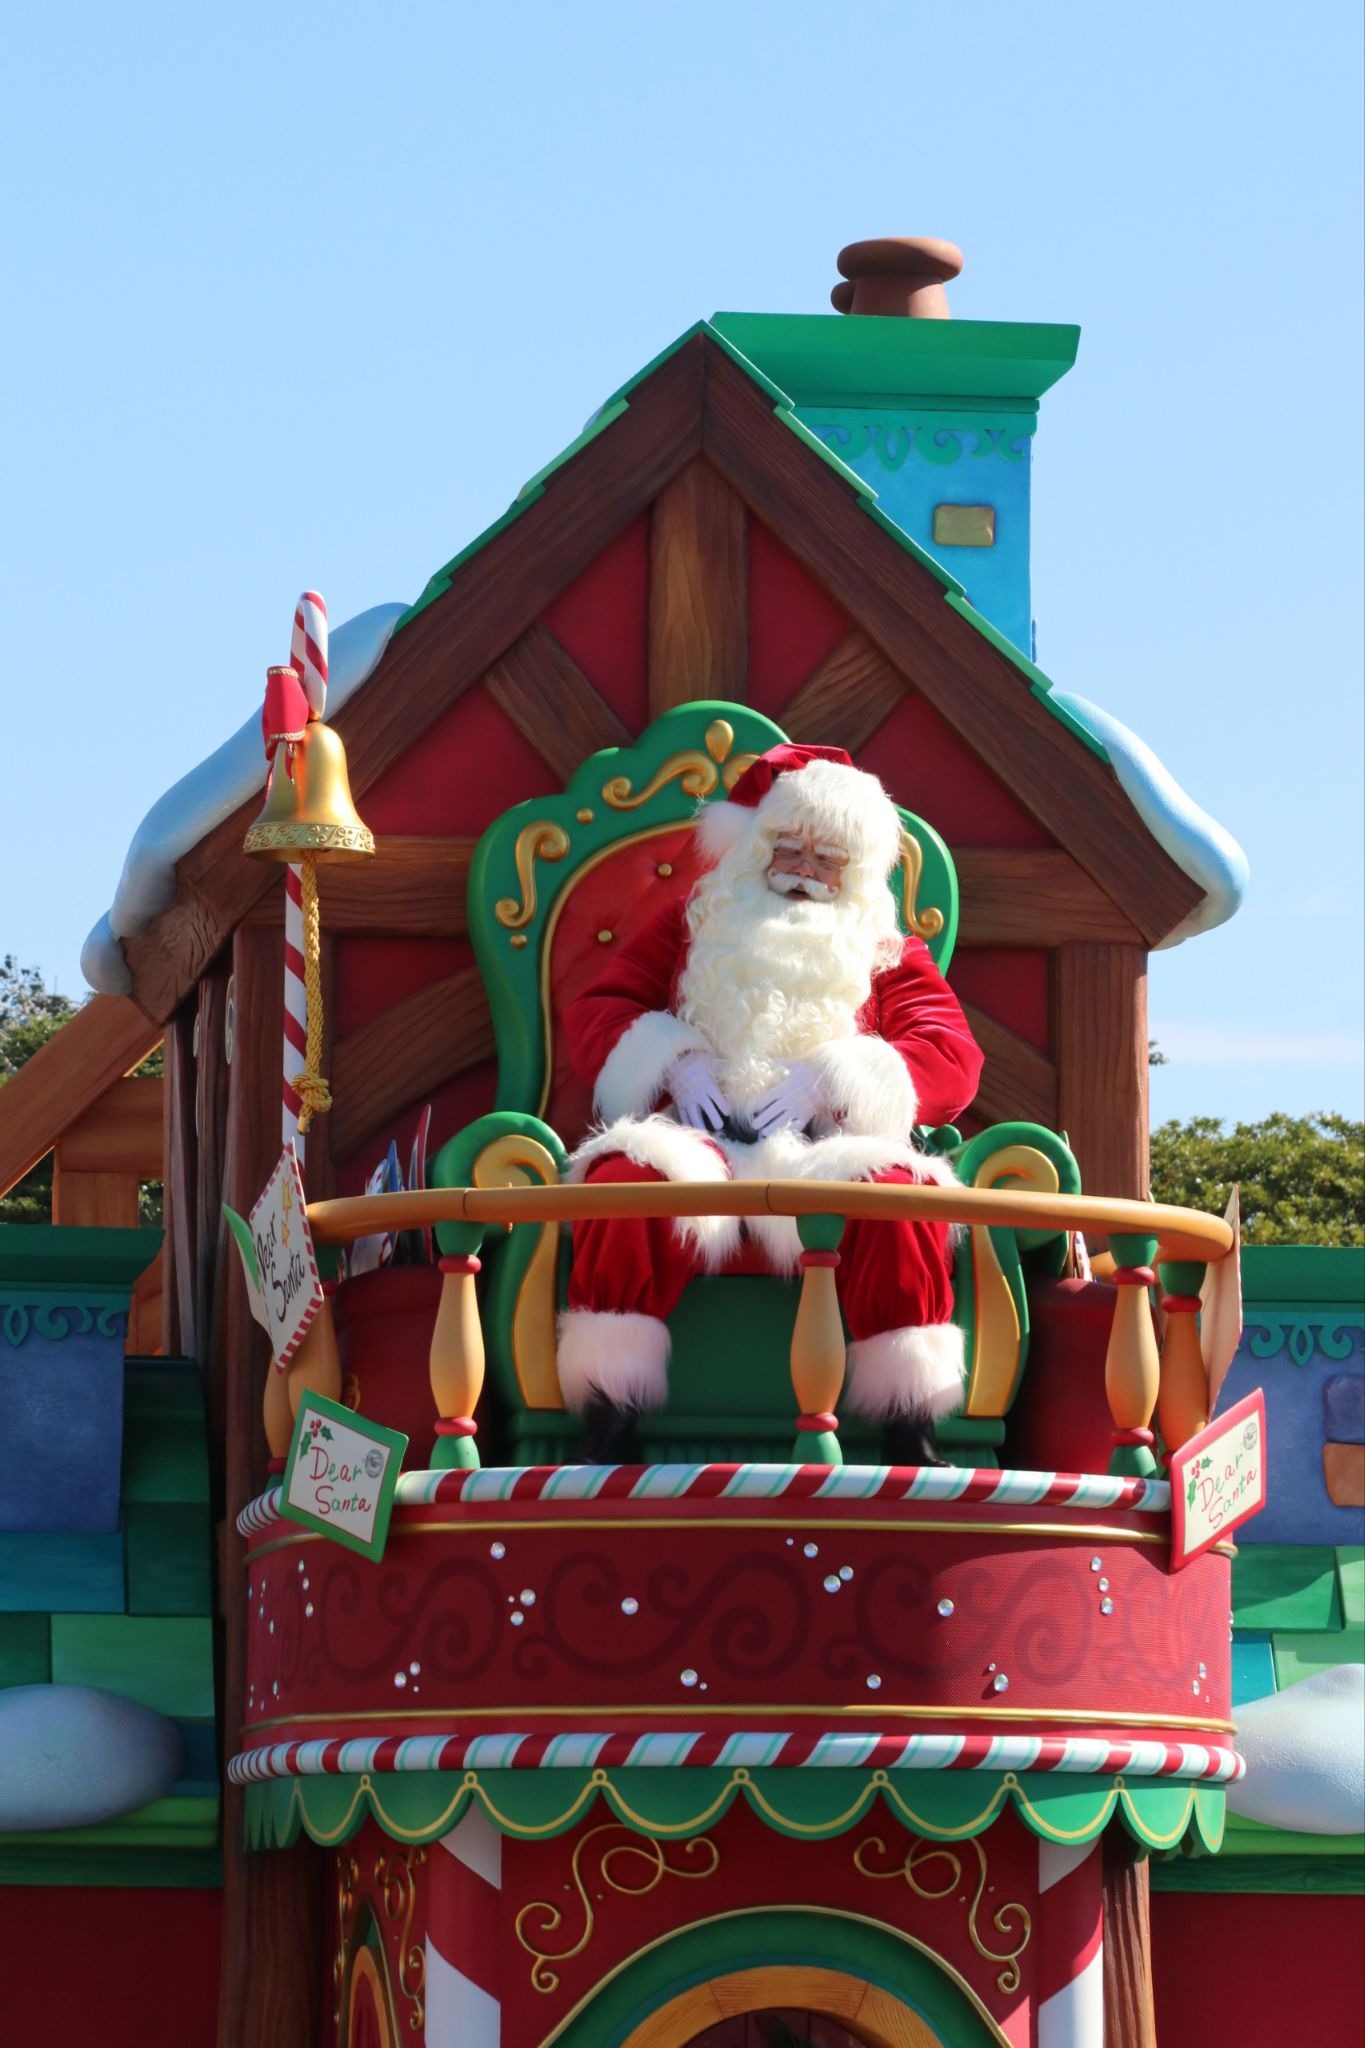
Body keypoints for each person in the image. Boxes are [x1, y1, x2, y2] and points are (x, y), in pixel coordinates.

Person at [559, 743, 984, 1465]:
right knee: (624, 1182)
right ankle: (611, 1416)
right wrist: (675, 1062)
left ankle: (909, 1427)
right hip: (698, 1140)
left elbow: (950, 1054)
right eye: (788, 849)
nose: (803, 871)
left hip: (823, 1149)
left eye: (827, 859)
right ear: (758, 847)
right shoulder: (692, 921)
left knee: (899, 1196)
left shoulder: (887, 951)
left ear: (855, 872)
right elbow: (601, 1009)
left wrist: (834, 1079)